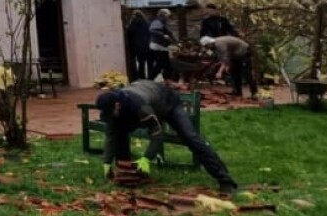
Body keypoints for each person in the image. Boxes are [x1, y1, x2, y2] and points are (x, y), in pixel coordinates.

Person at [95, 80, 238, 196]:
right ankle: (129, 177)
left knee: (191, 138)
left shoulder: (141, 107)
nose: (108, 115)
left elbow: (157, 134)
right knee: (118, 131)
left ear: (117, 106)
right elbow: (111, 134)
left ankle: (225, 181)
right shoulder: (111, 107)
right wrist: (106, 162)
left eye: (110, 112)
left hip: (168, 102)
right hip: (145, 98)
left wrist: (147, 158)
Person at [147, 8, 177, 81]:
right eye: (168, 15)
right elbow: (152, 30)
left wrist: (175, 41)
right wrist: (163, 35)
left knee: (165, 65)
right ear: (163, 15)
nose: (169, 17)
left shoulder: (162, 22)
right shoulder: (158, 21)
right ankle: (150, 79)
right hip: (158, 46)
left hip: (161, 46)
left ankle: (167, 79)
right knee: (161, 64)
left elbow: (168, 33)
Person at [125, 11, 151, 81]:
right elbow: (149, 34)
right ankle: (145, 76)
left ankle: (137, 76)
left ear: (134, 16)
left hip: (135, 46)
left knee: (136, 61)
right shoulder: (146, 23)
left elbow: (129, 33)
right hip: (145, 45)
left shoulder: (133, 23)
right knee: (145, 62)